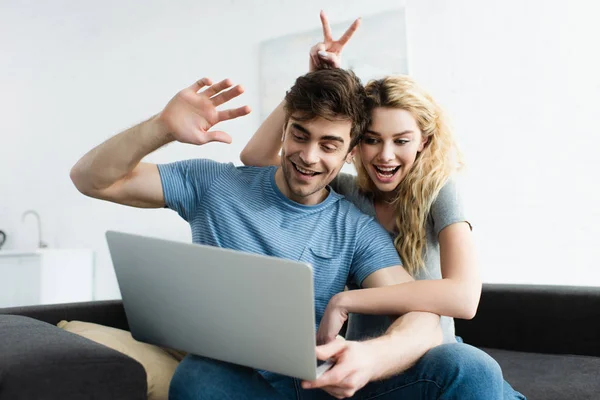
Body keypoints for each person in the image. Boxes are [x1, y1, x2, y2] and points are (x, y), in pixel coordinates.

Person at [71, 67, 513, 399]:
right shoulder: (213, 185)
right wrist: (161, 128)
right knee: (198, 376)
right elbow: (91, 180)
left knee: (467, 365)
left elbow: (422, 319)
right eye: (300, 136)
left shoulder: (356, 227)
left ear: (347, 153)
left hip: (320, 383)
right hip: (239, 381)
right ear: (284, 130)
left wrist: (371, 357)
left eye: (329, 145)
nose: (308, 156)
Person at [241, 11, 526, 400]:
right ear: (355, 142)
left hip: (432, 361)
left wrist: (348, 300)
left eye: (402, 140)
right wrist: (311, 86)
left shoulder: (439, 190)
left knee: (484, 378)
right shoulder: (345, 190)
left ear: (423, 141)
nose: (384, 155)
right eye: (372, 139)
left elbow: (464, 297)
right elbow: (256, 158)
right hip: (370, 369)